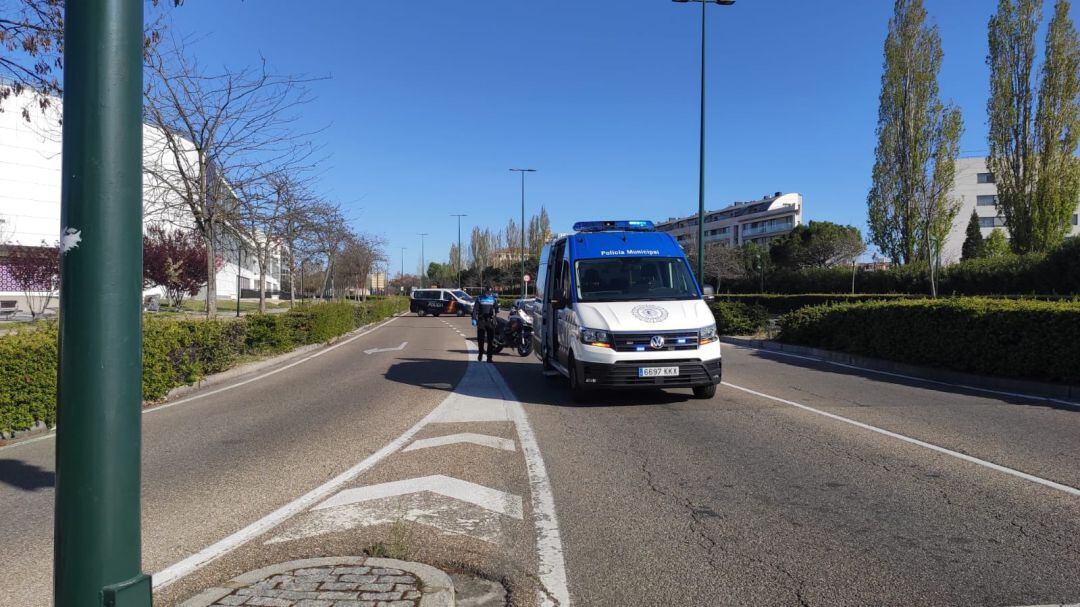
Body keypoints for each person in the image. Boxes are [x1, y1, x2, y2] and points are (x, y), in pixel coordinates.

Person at [472, 284, 499, 362]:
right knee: (481, 339)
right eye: (488, 292)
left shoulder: (493, 299)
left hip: (490, 321)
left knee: (490, 340)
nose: (489, 293)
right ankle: (480, 354)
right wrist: (474, 318)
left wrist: (497, 309)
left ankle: (489, 357)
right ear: (485, 291)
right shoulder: (479, 298)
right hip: (481, 321)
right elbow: (475, 309)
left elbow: (496, 307)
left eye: (490, 292)